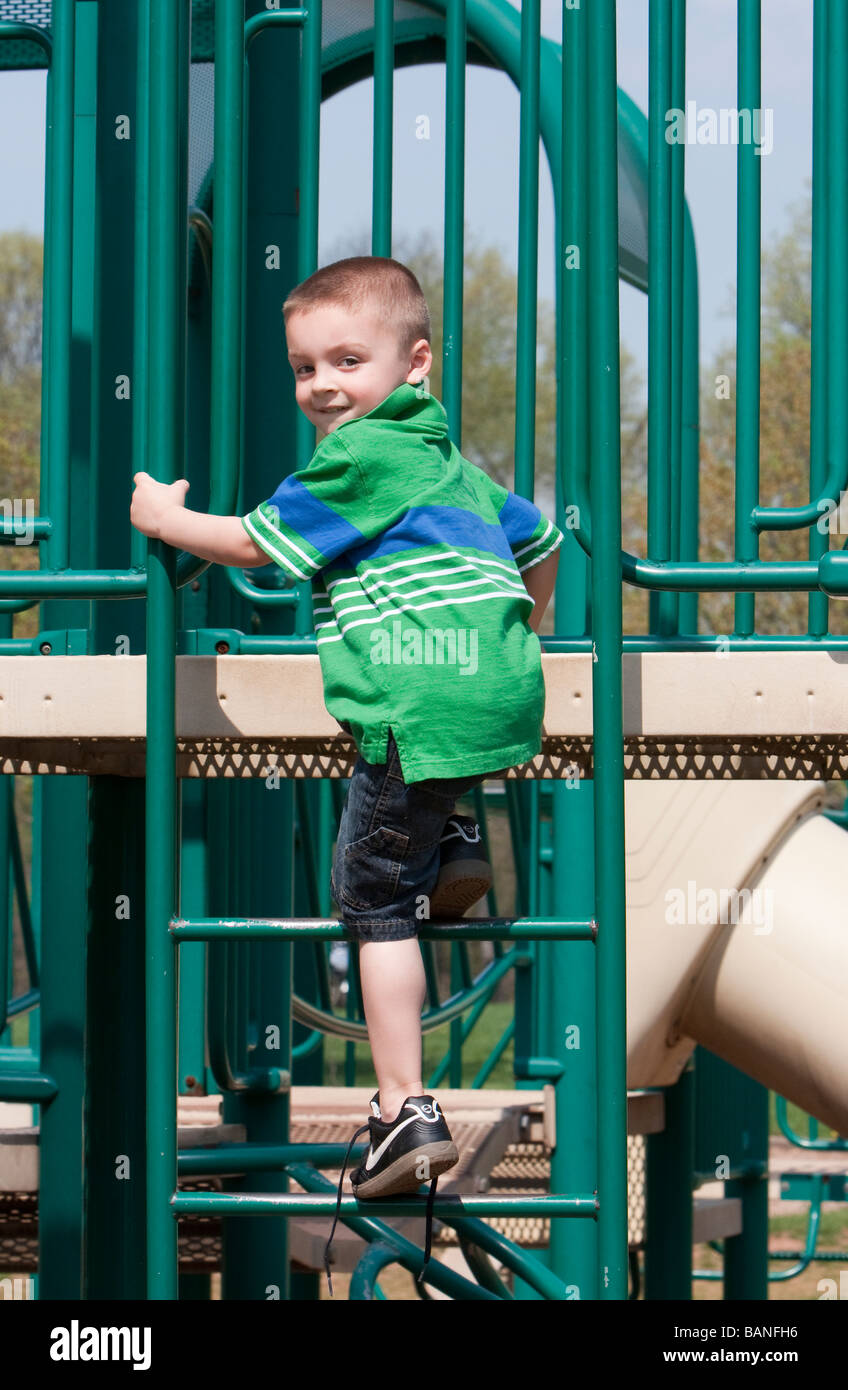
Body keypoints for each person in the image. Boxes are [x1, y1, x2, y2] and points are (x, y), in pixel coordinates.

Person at [130, 255, 563, 1293]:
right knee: (414, 831)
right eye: (304, 366)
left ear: (413, 364)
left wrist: (159, 515)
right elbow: (544, 537)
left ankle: (400, 1105)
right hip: (493, 695)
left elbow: (250, 547)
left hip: (410, 705)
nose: (323, 385)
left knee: (369, 899)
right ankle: (449, 849)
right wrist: (523, 635)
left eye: (347, 360)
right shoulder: (449, 462)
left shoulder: (356, 457)